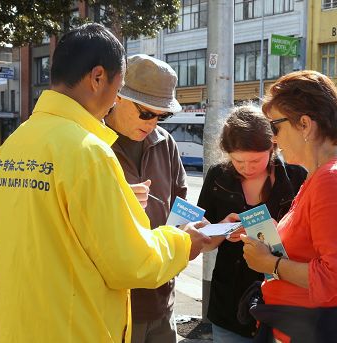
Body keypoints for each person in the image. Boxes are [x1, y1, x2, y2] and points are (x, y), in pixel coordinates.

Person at [0, 23, 211, 343]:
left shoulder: (12, 146)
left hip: (20, 327)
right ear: (97, 78)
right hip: (75, 328)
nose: (114, 101)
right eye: (117, 88)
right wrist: (184, 242)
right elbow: (131, 263)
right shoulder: (89, 152)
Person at [241, 70, 337, 343]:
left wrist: (270, 263)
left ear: (304, 124)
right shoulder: (325, 173)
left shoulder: (334, 178)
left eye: (275, 127)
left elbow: (336, 276)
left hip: (316, 331)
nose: (273, 140)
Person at [197, 105, 307, 342]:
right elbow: (202, 242)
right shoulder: (218, 177)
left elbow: (311, 243)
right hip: (230, 303)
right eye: (238, 162)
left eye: (256, 160)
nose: (247, 168)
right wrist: (223, 228)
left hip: (282, 304)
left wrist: (279, 230)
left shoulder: (296, 178)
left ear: (273, 146)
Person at [104, 54, 186, 343]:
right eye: (146, 113)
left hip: (162, 303)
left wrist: (195, 236)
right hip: (112, 307)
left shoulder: (166, 143)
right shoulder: (92, 145)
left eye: (162, 116)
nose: (153, 123)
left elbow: (181, 209)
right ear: (118, 97)